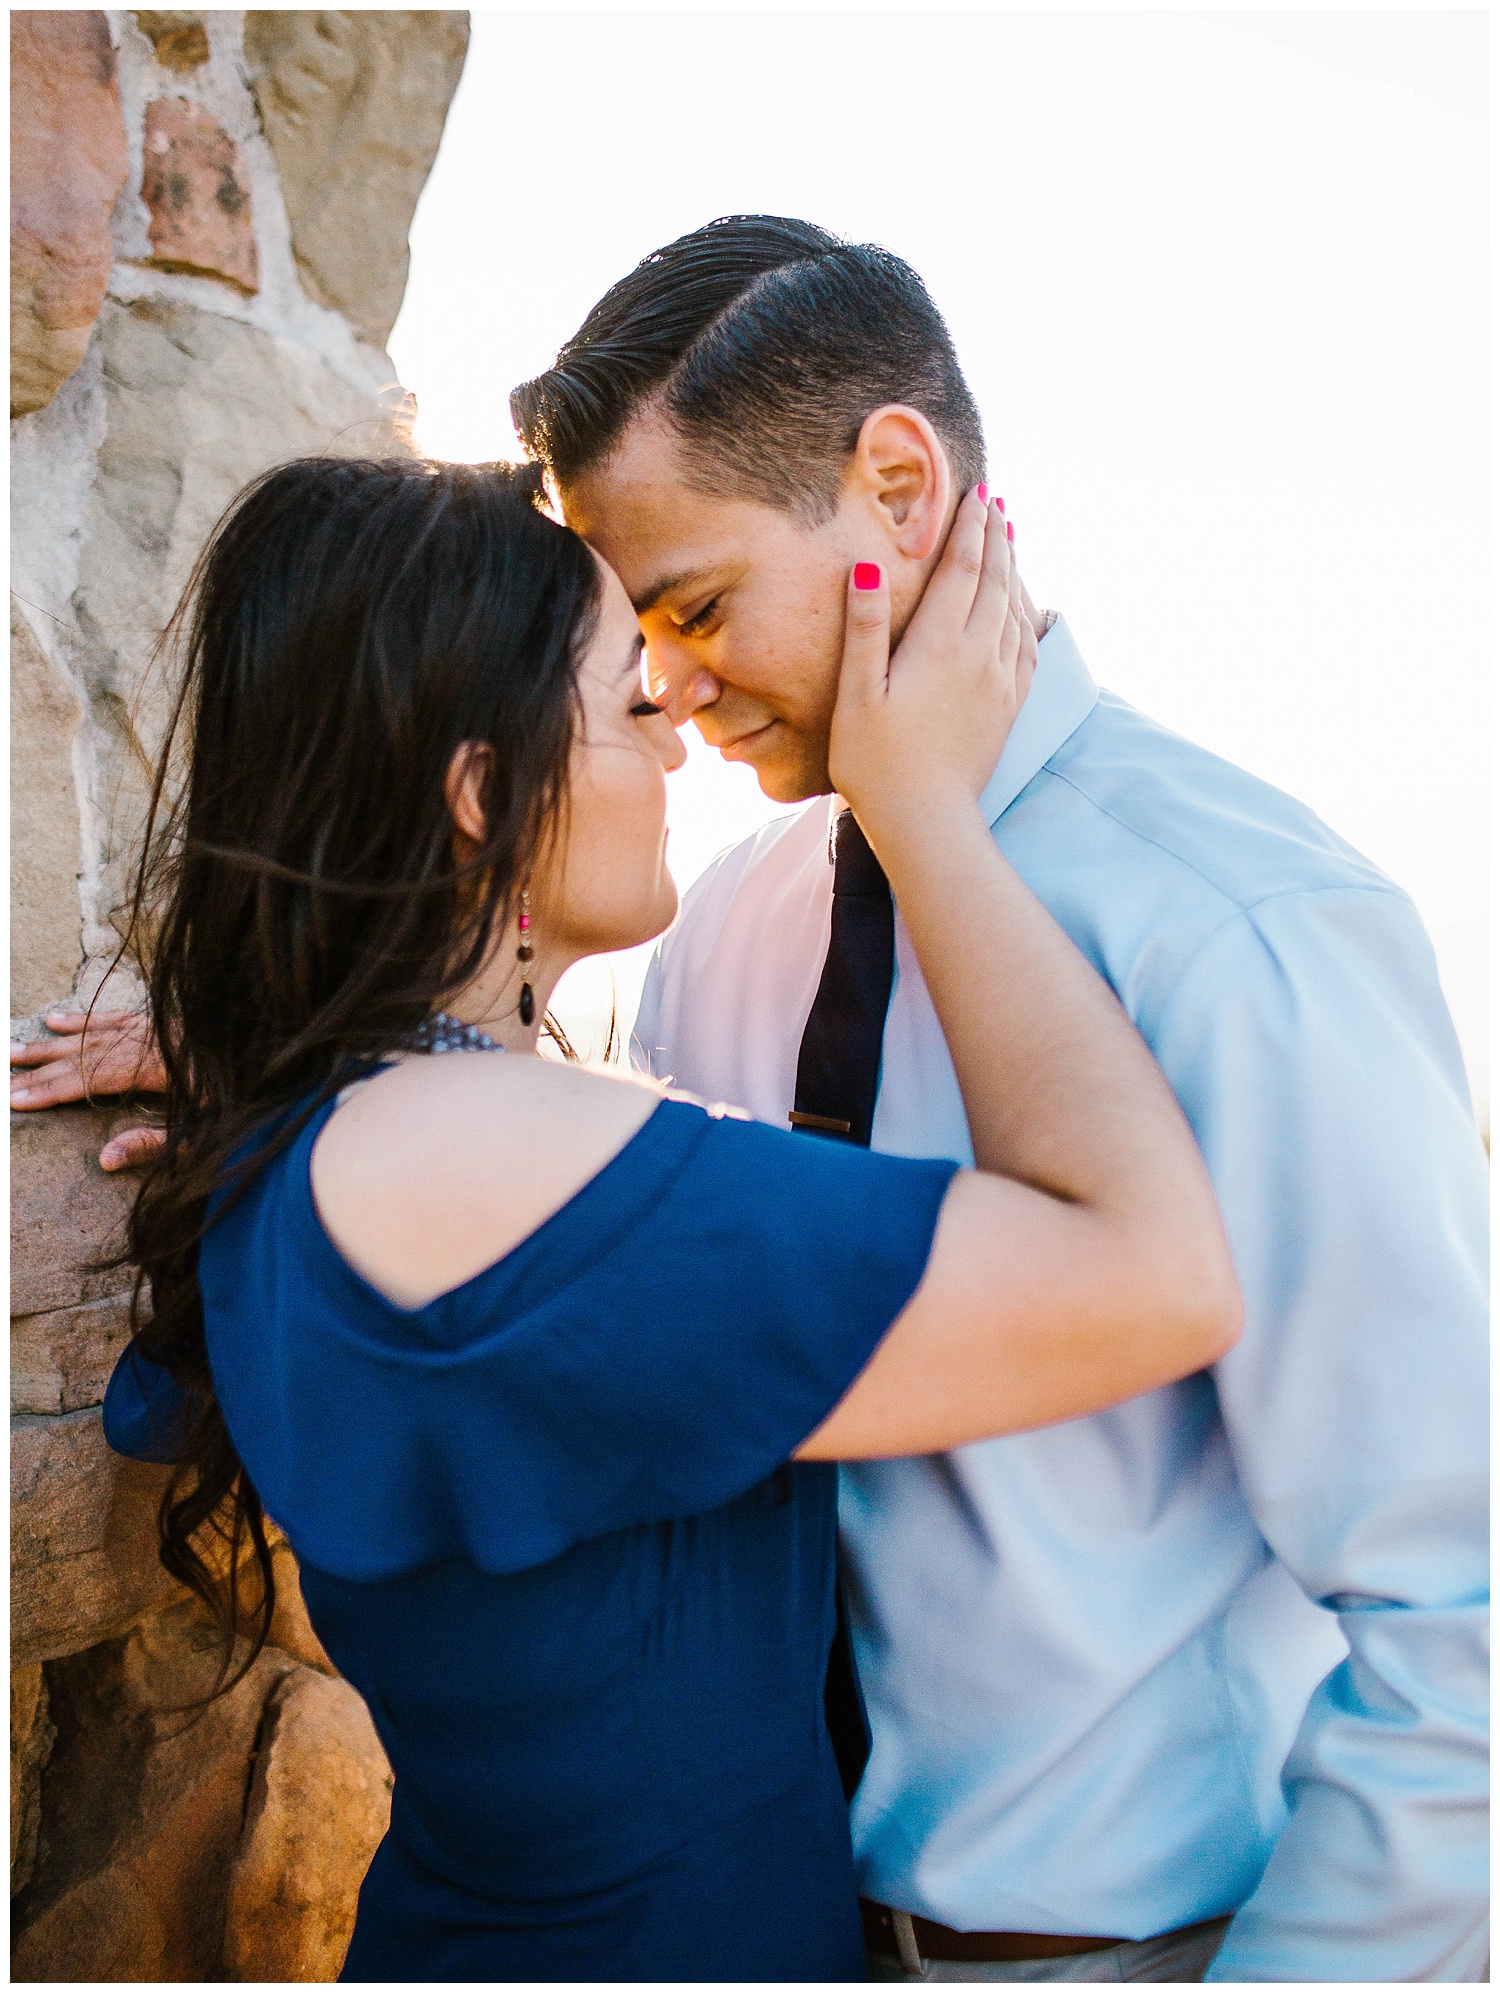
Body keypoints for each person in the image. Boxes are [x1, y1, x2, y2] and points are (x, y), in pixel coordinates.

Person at [89, 455, 1240, 1984]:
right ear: (482, 793)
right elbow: (1153, 1274)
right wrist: (923, 813)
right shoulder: (485, 1160)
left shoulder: (328, 1137)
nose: (677, 747)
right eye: (633, 704)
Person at [509, 216, 1487, 1983]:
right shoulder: (728, 927)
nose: (667, 681)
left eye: (701, 603)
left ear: (899, 485)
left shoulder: (1251, 923)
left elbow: (1461, 1614)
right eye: (637, 627)